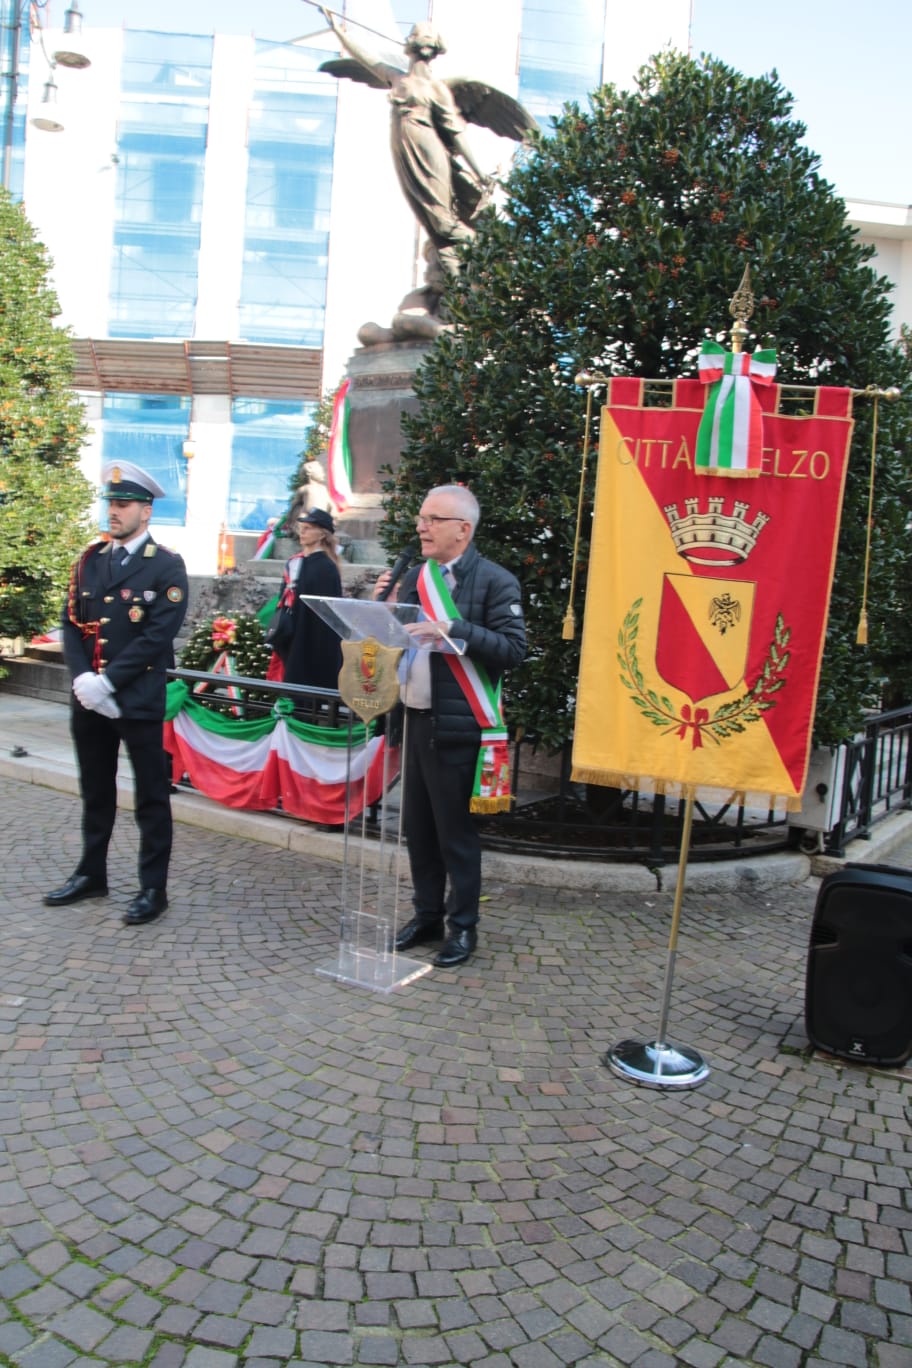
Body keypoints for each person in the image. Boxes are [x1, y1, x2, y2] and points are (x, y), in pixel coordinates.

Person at [376, 484, 526, 968]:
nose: (421, 526)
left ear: (463, 529)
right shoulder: (414, 577)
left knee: (454, 836)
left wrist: (455, 628)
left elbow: (513, 650)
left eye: (433, 519)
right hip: (416, 720)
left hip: (461, 729)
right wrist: (381, 610)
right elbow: (395, 641)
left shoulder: (497, 581)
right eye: (421, 518)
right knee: (417, 831)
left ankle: (462, 928)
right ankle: (427, 915)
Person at [44, 461, 189, 925]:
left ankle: (153, 889)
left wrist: (109, 681)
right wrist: (84, 680)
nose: (113, 512)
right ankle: (91, 874)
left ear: (145, 512)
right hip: (90, 699)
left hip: (137, 697)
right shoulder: (91, 559)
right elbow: (72, 623)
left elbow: (157, 635)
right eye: (110, 504)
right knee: (95, 790)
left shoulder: (166, 565)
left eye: (123, 505)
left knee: (150, 795)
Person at [320, 12, 533, 280]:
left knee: (442, 219)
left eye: (426, 40)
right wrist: (339, 31)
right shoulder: (396, 77)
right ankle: (457, 281)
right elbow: (367, 58)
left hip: (428, 150)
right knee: (431, 221)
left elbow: (456, 135)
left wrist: (478, 172)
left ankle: (490, 250)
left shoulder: (439, 89)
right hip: (403, 148)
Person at [272, 507, 343, 690]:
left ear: (321, 534)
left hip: (314, 640)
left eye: (309, 528)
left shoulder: (326, 568)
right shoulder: (295, 562)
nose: (302, 531)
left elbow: (327, 614)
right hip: (292, 635)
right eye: (302, 527)